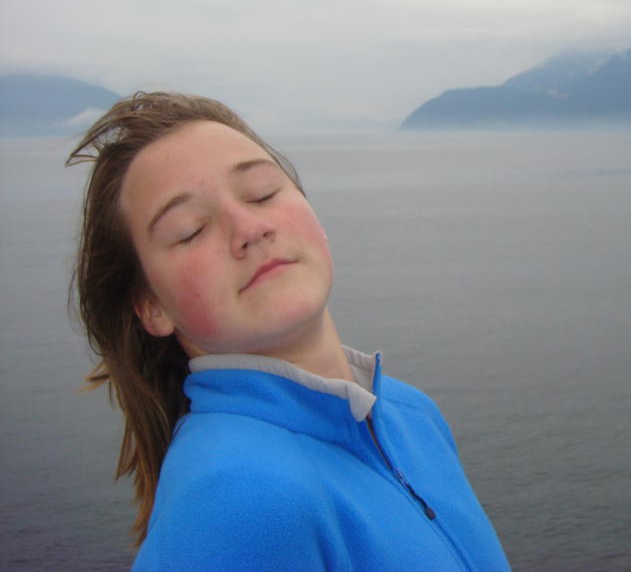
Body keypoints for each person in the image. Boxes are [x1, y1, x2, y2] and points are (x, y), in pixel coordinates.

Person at [67, 91, 510, 571]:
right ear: (151, 307)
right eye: (190, 229)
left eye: (262, 192)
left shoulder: (411, 415)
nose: (249, 227)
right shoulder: (235, 501)